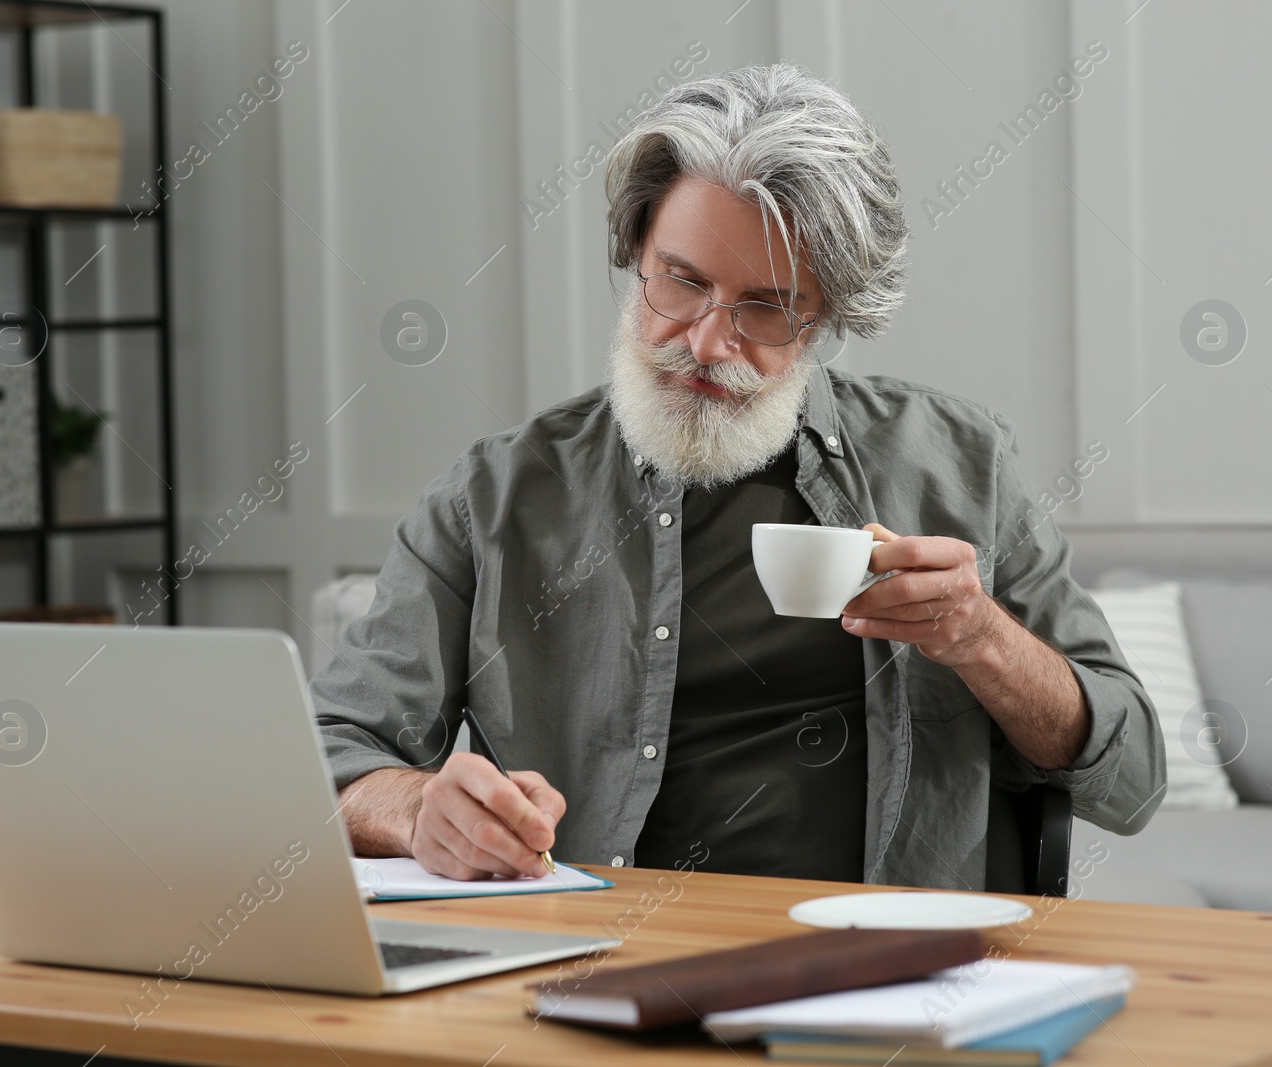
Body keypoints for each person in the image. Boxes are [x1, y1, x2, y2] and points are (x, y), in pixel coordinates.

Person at [312, 63, 1165, 889]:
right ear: (636, 250)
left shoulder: (963, 462)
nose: (708, 342)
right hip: (585, 964)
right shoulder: (492, 497)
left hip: (883, 983)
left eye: (765, 306)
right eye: (681, 282)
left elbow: (1131, 779)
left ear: (827, 312)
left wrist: (984, 639)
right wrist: (421, 806)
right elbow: (330, 747)